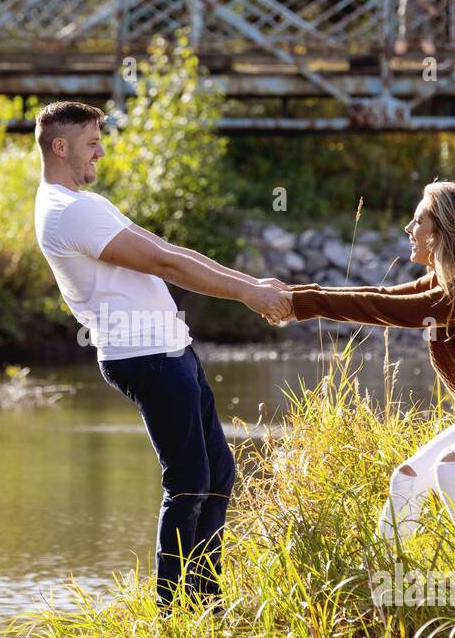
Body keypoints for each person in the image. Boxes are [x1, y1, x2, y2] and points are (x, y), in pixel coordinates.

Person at [31, 101, 289, 612]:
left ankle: (206, 599)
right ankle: (175, 612)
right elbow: (166, 263)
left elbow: (168, 250)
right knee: (189, 481)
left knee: (218, 475)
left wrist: (251, 284)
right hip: (144, 355)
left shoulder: (86, 202)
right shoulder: (67, 211)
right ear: (60, 148)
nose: (100, 151)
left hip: (170, 347)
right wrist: (248, 295)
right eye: (91, 143)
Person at [271, 181, 455, 545]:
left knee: (451, 468)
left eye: (417, 222)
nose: (409, 230)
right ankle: (380, 579)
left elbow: (382, 310)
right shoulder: (443, 283)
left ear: (441, 231)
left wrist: (300, 303)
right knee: (408, 478)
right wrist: (293, 296)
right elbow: (379, 295)